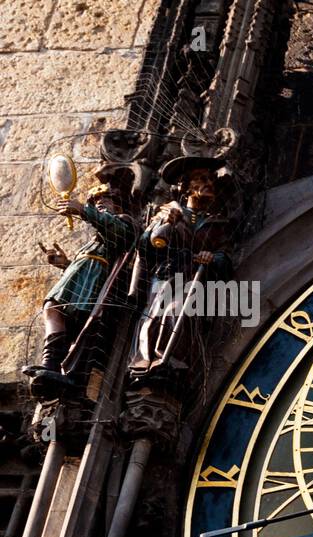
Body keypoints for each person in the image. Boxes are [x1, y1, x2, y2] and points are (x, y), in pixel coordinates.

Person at [23, 167, 137, 399]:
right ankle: (51, 364)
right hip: (80, 276)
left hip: (96, 281)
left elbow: (119, 234)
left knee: (64, 315)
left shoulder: (122, 222)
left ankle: (58, 366)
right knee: (53, 309)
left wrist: (84, 210)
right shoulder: (97, 236)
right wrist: (65, 263)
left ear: (118, 205)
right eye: (95, 201)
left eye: (106, 200)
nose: (100, 203)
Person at [129, 155, 233, 382]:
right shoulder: (168, 213)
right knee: (157, 314)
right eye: (201, 179)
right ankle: (148, 361)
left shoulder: (218, 225)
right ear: (186, 188)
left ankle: (170, 360)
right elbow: (148, 246)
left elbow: (226, 260)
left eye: (211, 179)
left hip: (196, 279)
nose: (209, 183)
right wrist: (168, 222)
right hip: (167, 274)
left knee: (180, 310)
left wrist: (212, 257)